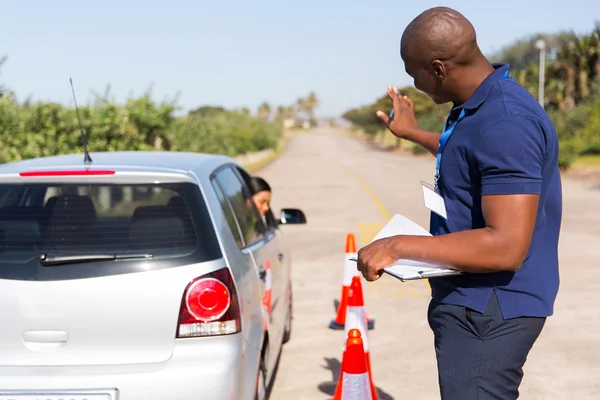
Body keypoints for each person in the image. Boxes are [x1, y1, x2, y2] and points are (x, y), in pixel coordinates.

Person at [356, 6, 562, 400]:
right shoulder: (481, 110)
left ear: (437, 68)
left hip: (490, 308)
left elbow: (506, 247)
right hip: (475, 301)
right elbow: (471, 156)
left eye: (412, 70)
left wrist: (396, 246)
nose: (411, 81)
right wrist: (415, 134)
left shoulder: (505, 122)